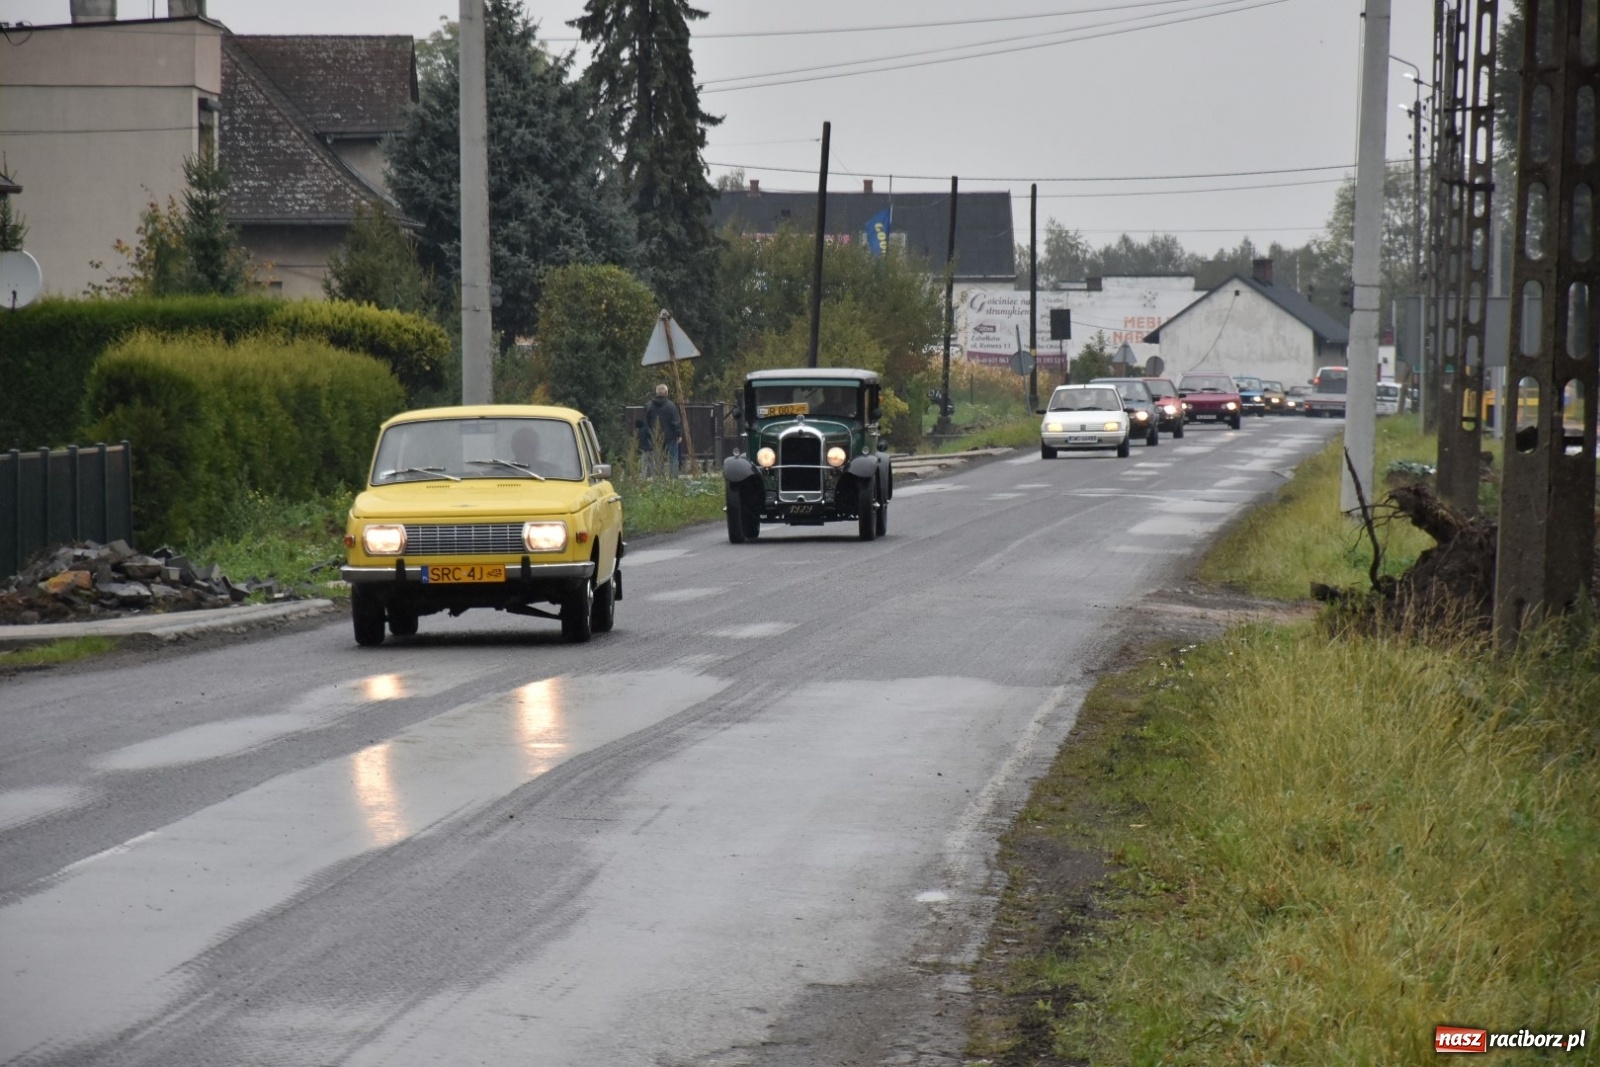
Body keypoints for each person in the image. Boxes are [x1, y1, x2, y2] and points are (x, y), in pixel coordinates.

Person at [644, 383, 683, 476]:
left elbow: (646, 422)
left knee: (658, 460)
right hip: (670, 437)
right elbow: (676, 421)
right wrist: (679, 434)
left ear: (656, 393)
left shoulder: (649, 405)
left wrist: (650, 435)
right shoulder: (671, 405)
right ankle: (673, 478)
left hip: (656, 437)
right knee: (673, 458)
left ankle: (660, 479)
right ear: (666, 393)